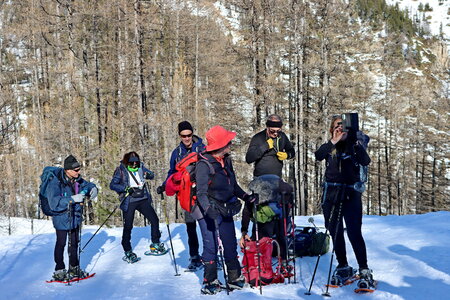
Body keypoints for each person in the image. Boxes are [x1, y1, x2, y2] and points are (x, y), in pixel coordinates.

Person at [194, 125, 258, 295]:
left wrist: (246, 197)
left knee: (229, 243)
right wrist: (208, 210)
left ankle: (234, 277)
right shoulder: (204, 165)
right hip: (208, 211)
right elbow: (200, 193)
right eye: (228, 141)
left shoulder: (226, 160)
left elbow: (233, 186)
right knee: (211, 246)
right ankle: (210, 281)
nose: (230, 143)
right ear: (220, 145)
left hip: (226, 207)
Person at [314, 114, 375, 290]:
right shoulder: (330, 146)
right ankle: (343, 265)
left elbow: (365, 160)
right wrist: (333, 141)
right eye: (337, 126)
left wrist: (354, 140)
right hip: (331, 192)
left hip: (350, 192)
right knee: (335, 231)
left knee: (354, 232)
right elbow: (318, 155)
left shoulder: (355, 144)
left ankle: (363, 268)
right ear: (332, 129)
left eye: (343, 125)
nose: (340, 128)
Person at [157, 121, 205, 271]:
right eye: (183, 136)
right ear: (179, 135)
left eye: (189, 135)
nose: (187, 138)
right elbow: (172, 172)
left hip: (203, 192)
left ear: (192, 134)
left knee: (208, 226)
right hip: (186, 195)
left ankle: (212, 256)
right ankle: (195, 256)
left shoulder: (202, 148)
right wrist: (165, 185)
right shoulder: (176, 153)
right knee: (191, 227)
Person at [110, 151, 167, 263]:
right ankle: (127, 250)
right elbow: (113, 185)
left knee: (154, 219)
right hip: (129, 200)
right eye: (132, 163)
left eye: (136, 162)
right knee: (128, 226)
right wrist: (125, 188)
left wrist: (148, 175)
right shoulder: (121, 170)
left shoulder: (141, 166)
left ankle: (155, 244)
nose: (134, 164)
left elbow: (151, 175)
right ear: (127, 162)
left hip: (143, 198)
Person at [47, 155, 98, 281]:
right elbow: (54, 202)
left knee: (75, 243)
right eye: (76, 170)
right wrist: (72, 199)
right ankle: (59, 270)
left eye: (79, 169)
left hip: (75, 216)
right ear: (67, 170)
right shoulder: (54, 182)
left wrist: (93, 188)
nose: (78, 172)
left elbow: (87, 184)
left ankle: (74, 267)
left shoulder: (76, 179)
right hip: (61, 217)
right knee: (61, 243)